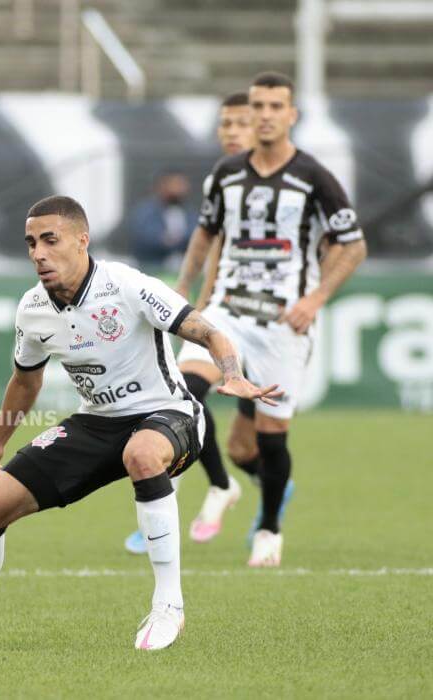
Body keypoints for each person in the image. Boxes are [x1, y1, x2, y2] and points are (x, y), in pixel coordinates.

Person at [0, 195, 281, 651]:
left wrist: (233, 374)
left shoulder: (125, 285)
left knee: (142, 454)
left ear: (82, 240)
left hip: (170, 413)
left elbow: (206, 331)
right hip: (97, 423)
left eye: (50, 240)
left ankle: (169, 606)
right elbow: (26, 382)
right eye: (30, 244)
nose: (38, 253)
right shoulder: (33, 308)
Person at [173, 72, 367, 567]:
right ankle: (219, 487)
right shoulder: (226, 173)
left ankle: (270, 527)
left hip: (282, 324)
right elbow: (205, 232)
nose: (263, 114)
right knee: (185, 392)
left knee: (268, 436)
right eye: (257, 105)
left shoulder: (314, 177)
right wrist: (184, 289)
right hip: (227, 313)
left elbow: (354, 244)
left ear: (291, 114)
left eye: (274, 106)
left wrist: (317, 297)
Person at [124, 91, 259, 554]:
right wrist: (188, 297)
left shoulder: (293, 184)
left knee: (259, 441)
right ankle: (194, 493)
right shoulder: (220, 183)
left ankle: (266, 510)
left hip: (267, 319)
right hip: (217, 313)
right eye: (226, 125)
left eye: (241, 123)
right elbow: (210, 250)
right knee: (185, 400)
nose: (232, 133)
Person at [128, 170, 197, 269]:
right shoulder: (145, 211)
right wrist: (165, 241)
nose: (179, 189)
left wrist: (178, 240)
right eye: (174, 184)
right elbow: (143, 237)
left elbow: (196, 234)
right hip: (152, 268)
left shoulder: (190, 212)